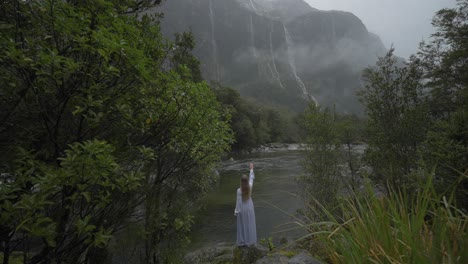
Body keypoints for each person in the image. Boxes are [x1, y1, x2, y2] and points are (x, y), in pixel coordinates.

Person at [234, 162, 257, 246]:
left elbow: (238, 202)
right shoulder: (250, 186)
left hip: (242, 208)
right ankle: (250, 241)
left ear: (240, 181)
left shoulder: (239, 191)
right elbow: (252, 178)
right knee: (249, 224)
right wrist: (251, 168)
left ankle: (243, 241)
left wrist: (236, 211)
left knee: (242, 225)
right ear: (247, 181)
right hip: (249, 207)